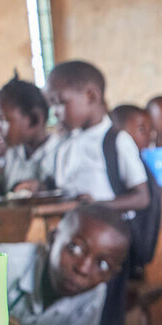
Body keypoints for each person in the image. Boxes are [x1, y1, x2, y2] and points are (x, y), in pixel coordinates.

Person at [0, 204, 130, 325]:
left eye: (102, 264)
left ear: (112, 275)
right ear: (52, 238)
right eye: (74, 248)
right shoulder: (7, 263)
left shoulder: (93, 293)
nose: (83, 268)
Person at [45, 60, 150, 213]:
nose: (55, 112)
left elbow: (142, 198)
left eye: (60, 102)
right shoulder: (66, 143)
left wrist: (98, 206)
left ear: (91, 96)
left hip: (108, 230)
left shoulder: (116, 141)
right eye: (52, 104)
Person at [0, 76, 59, 194]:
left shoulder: (59, 151)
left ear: (34, 119)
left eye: (4, 119)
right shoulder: (9, 154)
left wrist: (42, 187)